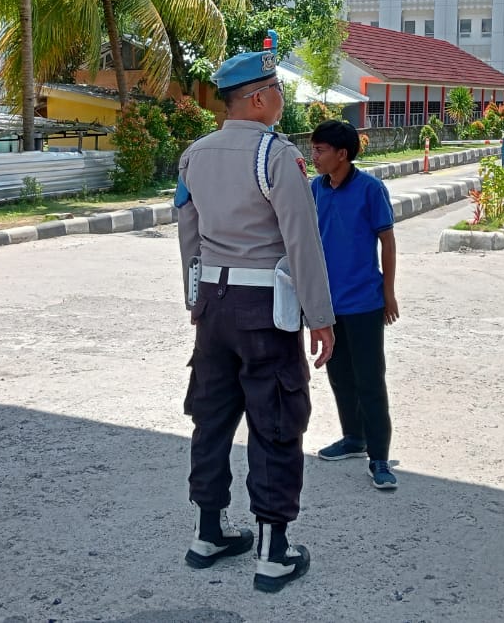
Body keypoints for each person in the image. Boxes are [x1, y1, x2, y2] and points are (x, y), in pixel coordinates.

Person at [174, 31, 336, 593]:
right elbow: (302, 241)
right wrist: (320, 316)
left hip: (214, 306)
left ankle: (208, 533)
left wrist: (195, 300)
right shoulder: (277, 154)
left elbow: (188, 237)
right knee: (274, 419)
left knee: (211, 418)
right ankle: (273, 551)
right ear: (259, 98)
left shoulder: (193, 155)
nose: (281, 101)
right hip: (263, 306)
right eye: (277, 90)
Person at [307, 119, 400, 491]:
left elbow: (388, 243)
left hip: (363, 301)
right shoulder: (316, 189)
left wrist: (388, 293)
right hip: (328, 304)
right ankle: (353, 439)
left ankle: (379, 457)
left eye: (319, 150)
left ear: (341, 154)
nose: (313, 156)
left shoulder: (370, 190)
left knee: (370, 380)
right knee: (339, 375)